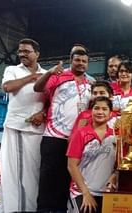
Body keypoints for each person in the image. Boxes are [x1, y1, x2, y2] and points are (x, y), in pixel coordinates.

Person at [34, 49, 92, 211]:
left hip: (76, 140)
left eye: (84, 61)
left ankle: (61, 209)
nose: (80, 63)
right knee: (47, 179)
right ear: (71, 61)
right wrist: (49, 72)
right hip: (53, 136)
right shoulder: (59, 76)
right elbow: (38, 88)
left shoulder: (91, 84)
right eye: (77, 60)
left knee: (67, 179)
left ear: (88, 64)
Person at [0, 38, 47, 212]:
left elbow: (52, 100)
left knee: (33, 174)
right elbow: (8, 87)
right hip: (17, 126)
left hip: (38, 130)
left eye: (26, 51)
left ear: (37, 54)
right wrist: (32, 77)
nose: (22, 54)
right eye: (20, 51)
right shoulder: (12, 70)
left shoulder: (46, 73)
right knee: (16, 174)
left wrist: (43, 113)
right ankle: (16, 209)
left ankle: (32, 208)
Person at [67, 97, 117, 213]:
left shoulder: (115, 136)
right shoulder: (81, 133)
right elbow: (71, 165)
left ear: (110, 113)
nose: (100, 112)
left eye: (104, 109)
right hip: (82, 192)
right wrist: (85, 193)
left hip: (107, 193)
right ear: (91, 111)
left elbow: (119, 164)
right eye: (96, 108)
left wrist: (114, 175)